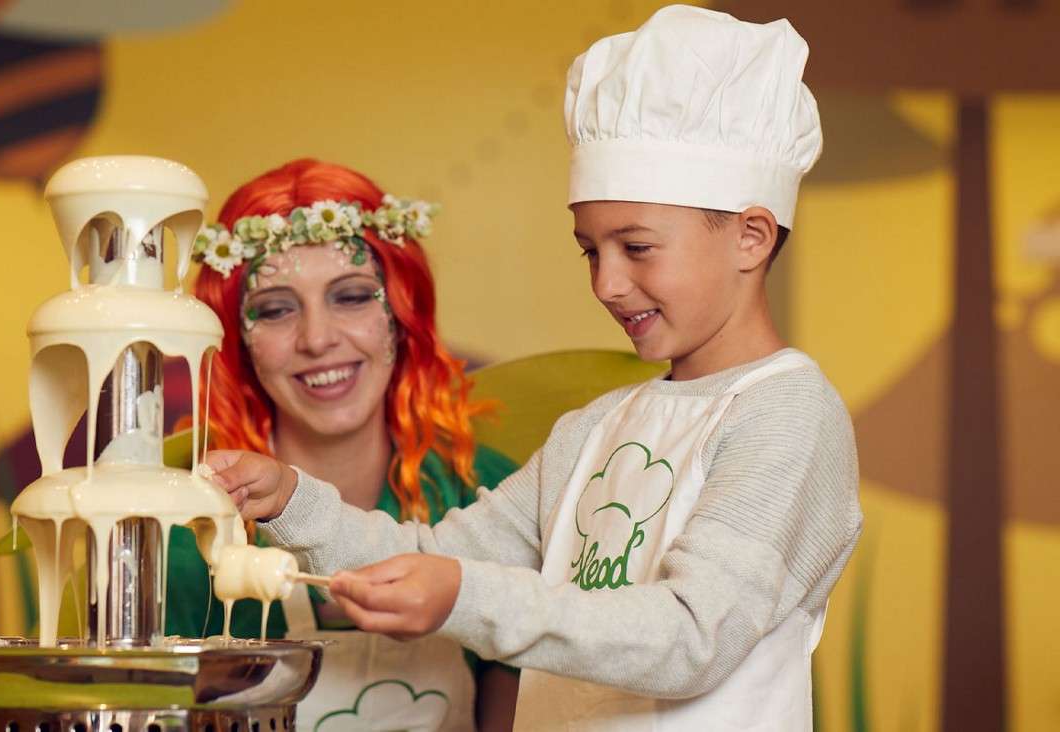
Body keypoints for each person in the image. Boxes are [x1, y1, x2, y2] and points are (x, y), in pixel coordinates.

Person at [202, 6, 863, 731]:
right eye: (591, 250)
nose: (606, 283)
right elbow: (437, 553)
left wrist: (464, 598)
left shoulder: (786, 414)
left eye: (636, 248)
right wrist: (293, 498)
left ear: (751, 236)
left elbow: (691, 635)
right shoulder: (598, 429)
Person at [163, 159, 521, 731]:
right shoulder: (189, 533)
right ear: (236, 342)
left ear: (402, 318)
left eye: (352, 296)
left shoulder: (486, 492)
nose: (318, 339)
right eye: (276, 309)